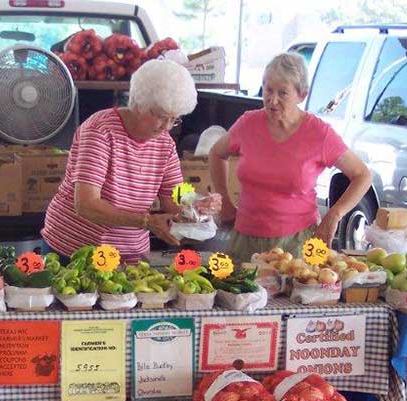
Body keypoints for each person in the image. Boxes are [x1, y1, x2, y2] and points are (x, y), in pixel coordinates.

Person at [208, 53, 373, 262]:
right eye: (268, 90)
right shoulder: (248, 123)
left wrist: (334, 215)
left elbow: (362, 175)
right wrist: (226, 204)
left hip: (299, 244)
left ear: (302, 95)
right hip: (245, 239)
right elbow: (216, 153)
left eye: (283, 93)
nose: (272, 100)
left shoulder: (319, 133)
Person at [41, 59, 198, 262]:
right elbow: (87, 204)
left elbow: (175, 194)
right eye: (160, 116)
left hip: (130, 253)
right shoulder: (100, 131)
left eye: (174, 119)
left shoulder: (165, 143)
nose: (166, 127)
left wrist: (197, 206)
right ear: (139, 103)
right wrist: (147, 221)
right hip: (75, 249)